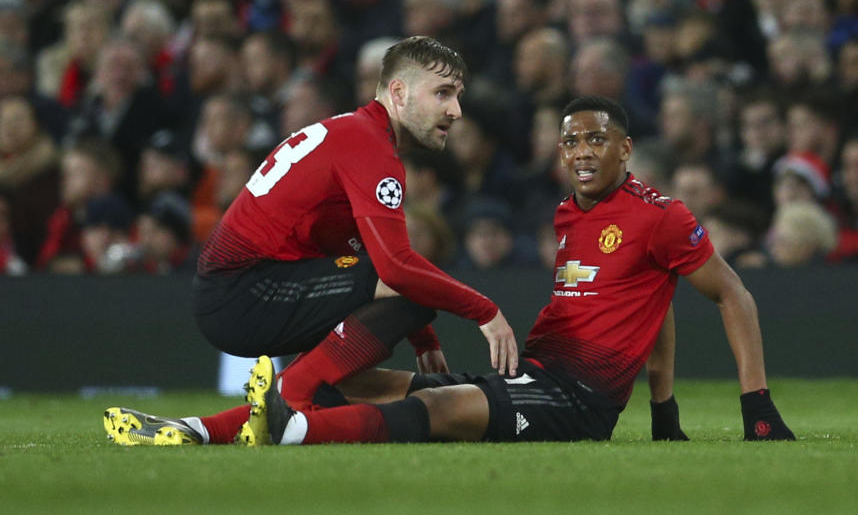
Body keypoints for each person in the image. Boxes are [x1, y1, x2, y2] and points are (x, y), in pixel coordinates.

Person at [226, 96, 792, 446]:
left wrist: (757, 406)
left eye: (597, 138)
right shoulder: (568, 213)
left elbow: (733, 295)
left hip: (576, 401)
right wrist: (664, 412)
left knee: (438, 408)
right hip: (531, 373)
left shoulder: (661, 216)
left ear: (626, 150)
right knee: (348, 383)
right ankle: (210, 428)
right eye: (571, 141)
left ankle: (294, 431)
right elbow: (653, 300)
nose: (582, 151)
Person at [103, 36, 518, 444]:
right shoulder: (370, 149)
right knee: (409, 286)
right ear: (398, 92)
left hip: (243, 289)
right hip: (248, 292)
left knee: (353, 379)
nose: (456, 110)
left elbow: (364, 254)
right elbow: (395, 268)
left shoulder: (352, 134)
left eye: (458, 95)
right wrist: (486, 312)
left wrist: (423, 337)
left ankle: (198, 428)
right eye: (443, 93)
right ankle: (291, 396)